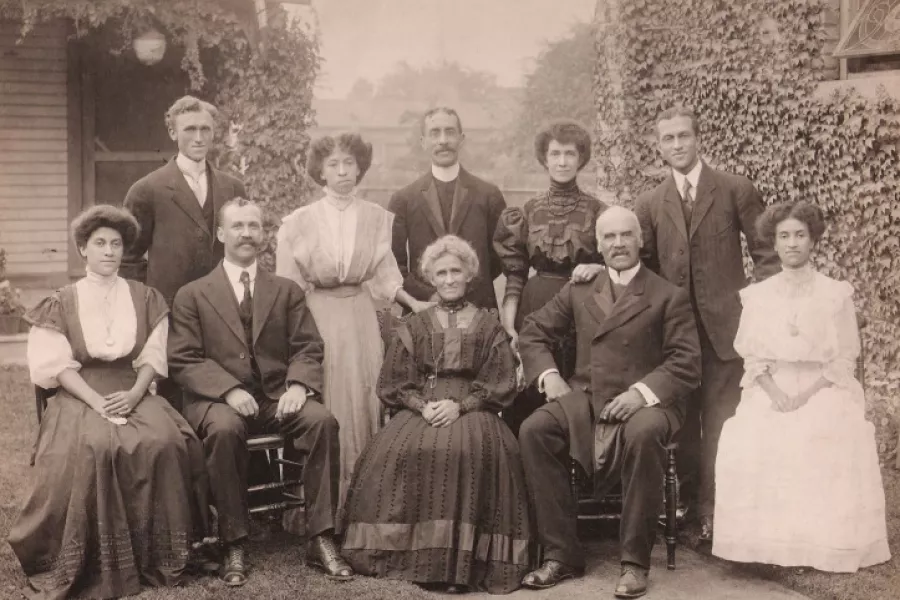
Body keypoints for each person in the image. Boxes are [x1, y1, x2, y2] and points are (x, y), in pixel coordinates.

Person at [8, 205, 210, 599]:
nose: (109, 251)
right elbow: (58, 365)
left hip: (132, 386)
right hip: (79, 391)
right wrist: (96, 402)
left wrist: (136, 394)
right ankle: (98, 560)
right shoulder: (62, 301)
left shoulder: (145, 297)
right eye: (99, 243)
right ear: (83, 249)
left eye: (116, 244)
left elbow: (153, 356)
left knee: (166, 442)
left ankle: (159, 555)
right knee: (97, 446)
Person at [517, 206, 701, 598]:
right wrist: (549, 377)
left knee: (644, 432)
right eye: (609, 237)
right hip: (588, 394)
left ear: (641, 241)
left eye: (626, 236)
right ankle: (561, 554)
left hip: (651, 401)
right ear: (598, 245)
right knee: (535, 429)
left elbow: (686, 363)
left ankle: (634, 562)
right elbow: (533, 332)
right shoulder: (580, 290)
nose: (618, 244)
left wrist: (640, 394)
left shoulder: (668, 295)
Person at [169, 198, 352, 586]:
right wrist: (229, 390)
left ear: (264, 235)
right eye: (237, 226)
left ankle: (321, 537)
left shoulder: (285, 291)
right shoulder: (193, 294)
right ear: (221, 234)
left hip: (274, 397)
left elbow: (308, 346)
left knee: (323, 422)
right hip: (219, 401)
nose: (247, 234)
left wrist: (299, 385)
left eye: (254, 226)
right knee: (223, 430)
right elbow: (184, 359)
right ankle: (234, 540)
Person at [341, 235, 534, 594]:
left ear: (469, 275)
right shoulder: (416, 323)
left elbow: (500, 381)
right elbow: (395, 381)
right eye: (441, 273)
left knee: (466, 450)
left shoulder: (488, 323)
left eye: (455, 271)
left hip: (473, 406)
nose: (448, 279)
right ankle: (417, 559)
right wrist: (421, 406)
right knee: (403, 450)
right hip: (423, 405)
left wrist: (461, 405)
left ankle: (462, 564)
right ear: (431, 277)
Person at [713, 201, 890, 572]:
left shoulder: (834, 294)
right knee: (746, 435)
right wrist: (776, 394)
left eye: (800, 235)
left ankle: (819, 545)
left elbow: (843, 359)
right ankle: (766, 545)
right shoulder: (757, 296)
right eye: (784, 237)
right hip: (771, 386)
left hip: (822, 386)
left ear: (813, 242)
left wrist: (806, 395)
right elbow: (753, 359)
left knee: (821, 430)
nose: (792, 243)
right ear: (773, 244)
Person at [634, 106, 779, 541]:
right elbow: (644, 271)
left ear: (699, 138)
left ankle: (717, 509)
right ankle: (683, 504)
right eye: (668, 139)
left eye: (683, 136)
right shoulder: (649, 202)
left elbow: (767, 256)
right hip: (676, 337)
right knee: (680, 425)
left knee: (721, 424)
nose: (677, 145)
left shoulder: (735, 189)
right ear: (659, 146)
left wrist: (759, 317)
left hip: (726, 334)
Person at [276, 132, 431, 508]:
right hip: (319, 316)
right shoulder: (299, 222)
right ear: (321, 172)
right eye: (334, 165)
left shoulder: (377, 218)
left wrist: (415, 303)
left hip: (361, 316)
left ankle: (365, 503)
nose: (343, 171)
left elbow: (387, 276)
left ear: (360, 168)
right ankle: (324, 506)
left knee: (364, 397)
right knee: (327, 398)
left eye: (350, 163)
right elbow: (288, 288)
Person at [494, 119, 607, 436]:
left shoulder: (599, 211)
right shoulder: (526, 213)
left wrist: (600, 269)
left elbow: (617, 262)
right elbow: (515, 274)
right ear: (544, 158)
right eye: (555, 153)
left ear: (580, 158)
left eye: (569, 154)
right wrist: (509, 325)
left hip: (583, 305)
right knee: (535, 389)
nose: (562, 161)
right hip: (536, 303)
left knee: (576, 388)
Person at [121, 95, 247, 309]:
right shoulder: (146, 190)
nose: (199, 138)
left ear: (213, 133)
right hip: (170, 311)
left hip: (223, 309)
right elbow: (127, 259)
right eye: (189, 129)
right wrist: (152, 301)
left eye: (205, 129)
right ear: (173, 132)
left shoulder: (233, 188)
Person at [389, 106, 507, 310]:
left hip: (478, 309)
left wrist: (464, 286)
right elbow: (394, 264)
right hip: (425, 311)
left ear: (462, 138)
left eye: (450, 132)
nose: (443, 140)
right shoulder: (404, 199)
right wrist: (432, 294)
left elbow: (499, 259)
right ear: (423, 142)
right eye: (435, 133)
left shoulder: (489, 195)